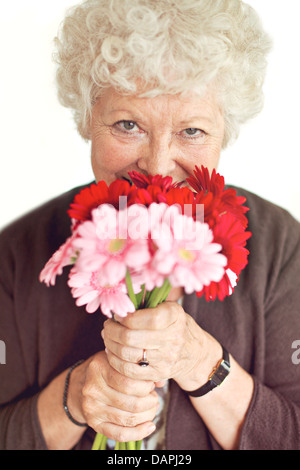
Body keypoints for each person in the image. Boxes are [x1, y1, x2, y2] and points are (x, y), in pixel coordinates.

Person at [0, 0, 300, 451]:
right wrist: (73, 399)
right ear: (86, 118)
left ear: (226, 129)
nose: (158, 168)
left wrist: (201, 363)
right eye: (128, 124)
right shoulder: (17, 253)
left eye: (192, 132)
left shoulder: (282, 248)